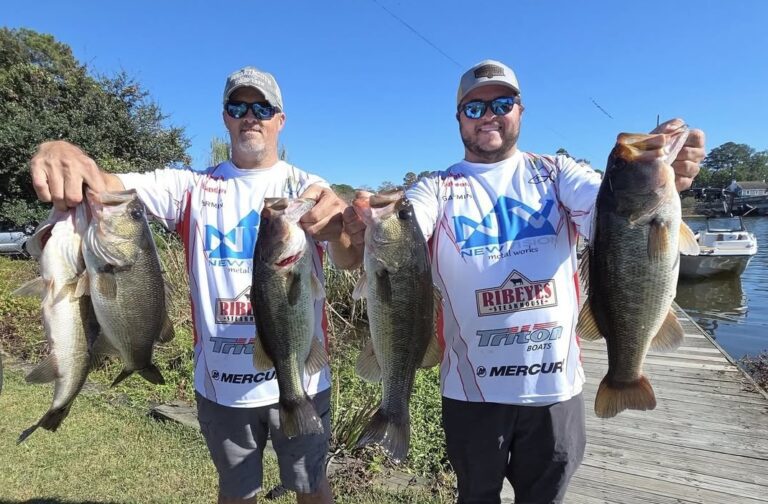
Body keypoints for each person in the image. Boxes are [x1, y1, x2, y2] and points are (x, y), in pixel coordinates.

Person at [343, 59, 705, 504]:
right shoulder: (435, 188)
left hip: (555, 391)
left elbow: (613, 214)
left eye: (502, 102)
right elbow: (407, 223)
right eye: (474, 108)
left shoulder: (559, 173)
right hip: (472, 394)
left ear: (520, 110)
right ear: (458, 118)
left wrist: (662, 180)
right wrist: (372, 220)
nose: (489, 114)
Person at [29, 66, 362, 504]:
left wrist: (341, 231)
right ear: (225, 117)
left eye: (263, 107)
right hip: (220, 383)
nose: (251, 116)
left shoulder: (306, 187)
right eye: (238, 106)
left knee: (312, 486)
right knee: (236, 491)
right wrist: (57, 149)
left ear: (280, 119)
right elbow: (106, 187)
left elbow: (347, 255)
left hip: (303, 374)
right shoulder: (190, 187)